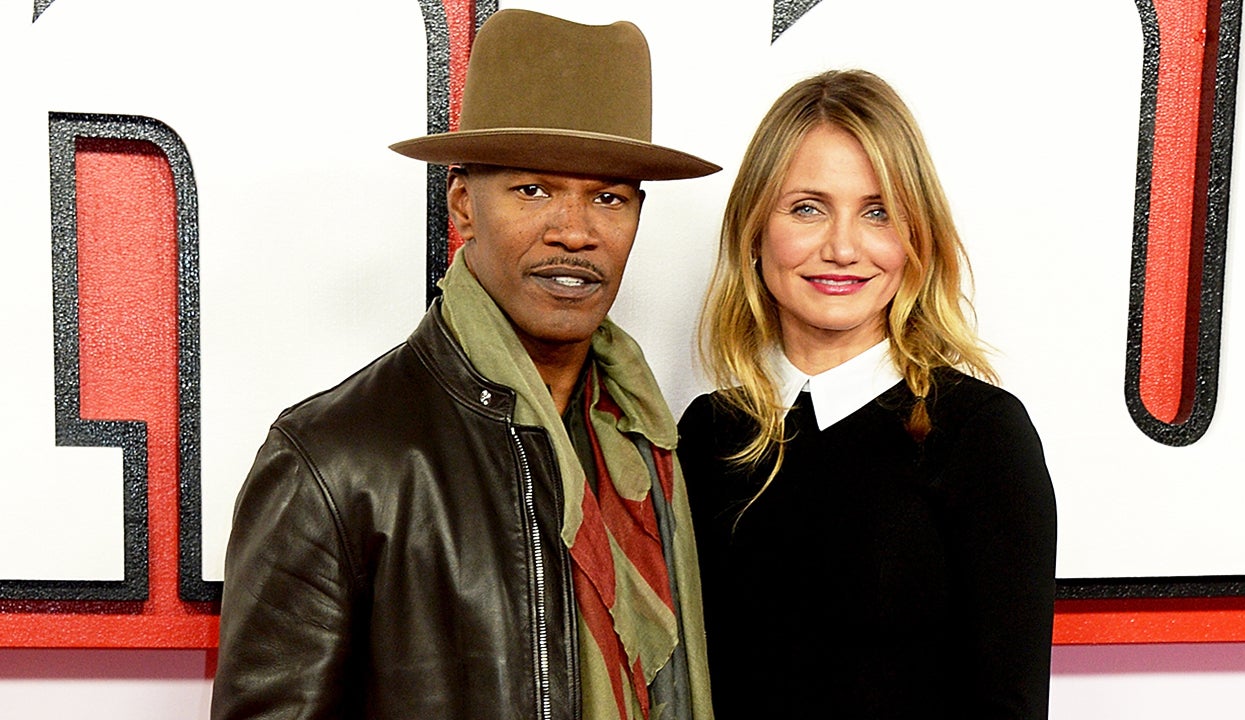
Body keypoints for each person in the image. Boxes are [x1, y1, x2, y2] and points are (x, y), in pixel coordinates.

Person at [211, 9, 720, 720]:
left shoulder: (647, 440)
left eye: (607, 198)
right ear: (463, 206)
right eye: (533, 190)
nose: (575, 232)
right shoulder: (333, 459)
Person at [676, 69, 1057, 718]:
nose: (843, 247)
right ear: (754, 231)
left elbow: (1008, 703)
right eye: (807, 207)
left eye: (878, 212)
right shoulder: (708, 432)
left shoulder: (981, 435)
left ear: (916, 238)